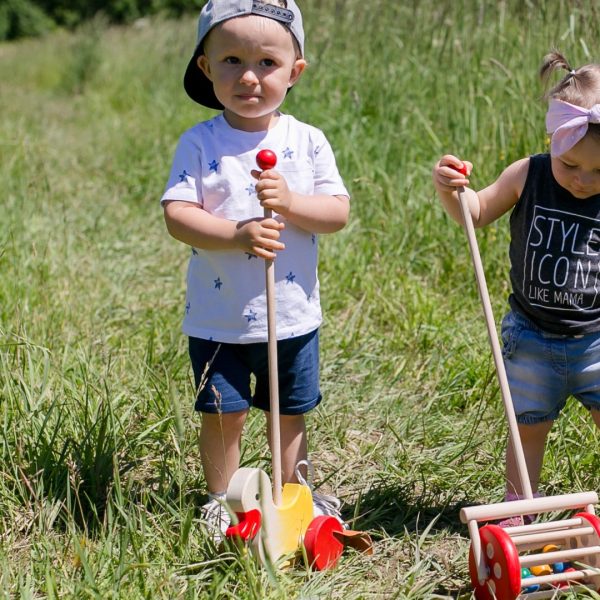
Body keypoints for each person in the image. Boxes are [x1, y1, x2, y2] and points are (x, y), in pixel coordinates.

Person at [161, 0, 350, 540]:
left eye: (267, 63)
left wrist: (289, 202)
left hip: (291, 315)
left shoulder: (306, 140)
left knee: (289, 411)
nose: (249, 76)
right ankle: (222, 498)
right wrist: (237, 234)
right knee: (225, 413)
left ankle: (295, 493)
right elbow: (178, 216)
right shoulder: (199, 143)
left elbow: (336, 212)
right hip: (219, 317)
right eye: (230, 61)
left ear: (295, 71)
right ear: (205, 67)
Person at [433, 50, 600, 526]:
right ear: (552, 140)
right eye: (571, 165)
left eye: (598, 171)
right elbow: (477, 211)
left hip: (595, 339)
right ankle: (519, 507)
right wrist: (453, 190)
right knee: (528, 427)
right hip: (532, 336)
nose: (584, 181)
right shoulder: (528, 173)